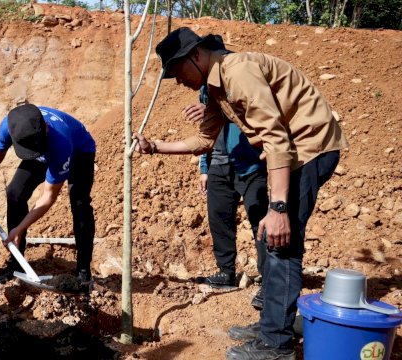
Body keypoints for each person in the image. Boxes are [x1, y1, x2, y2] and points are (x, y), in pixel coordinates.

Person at [133, 27, 347, 359]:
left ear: (196, 56)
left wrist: (277, 208)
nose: (177, 81)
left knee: (281, 243)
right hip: (293, 153)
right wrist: (155, 146)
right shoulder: (215, 88)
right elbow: (204, 140)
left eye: (176, 71)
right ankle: (271, 327)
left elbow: (275, 137)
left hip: (310, 150)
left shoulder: (238, 71)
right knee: (270, 242)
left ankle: (276, 344)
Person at [0, 103, 96, 287]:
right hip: (41, 148)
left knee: (79, 202)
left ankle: (83, 270)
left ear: (45, 128)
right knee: (14, 193)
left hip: (79, 152)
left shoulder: (60, 143)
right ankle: (16, 262)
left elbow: (48, 197)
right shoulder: (11, 125)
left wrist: (19, 228)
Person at [194, 104, 268, 310]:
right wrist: (204, 168)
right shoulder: (206, 88)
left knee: (259, 218)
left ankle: (270, 279)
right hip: (218, 163)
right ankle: (226, 272)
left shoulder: (237, 78)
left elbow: (251, 111)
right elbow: (205, 130)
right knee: (219, 217)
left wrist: (217, 110)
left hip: (250, 161)